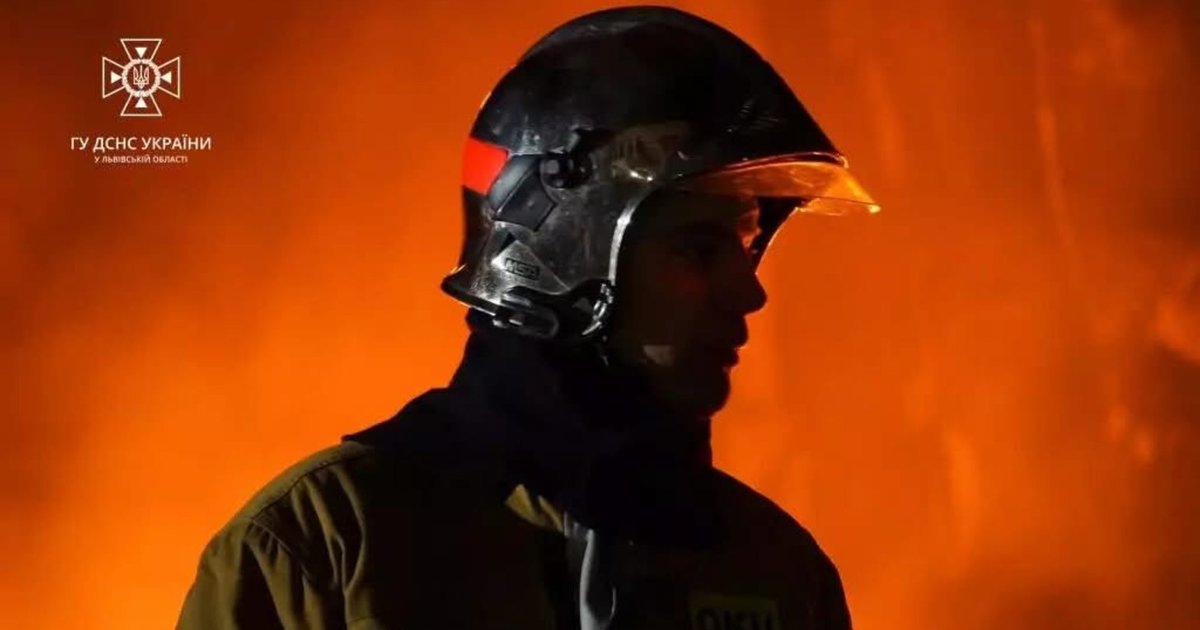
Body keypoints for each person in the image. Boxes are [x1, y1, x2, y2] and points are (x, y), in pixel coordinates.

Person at [176, 6, 879, 629]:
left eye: (746, 247)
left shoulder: (777, 573)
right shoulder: (327, 546)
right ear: (563, 245)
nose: (749, 294)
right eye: (699, 249)